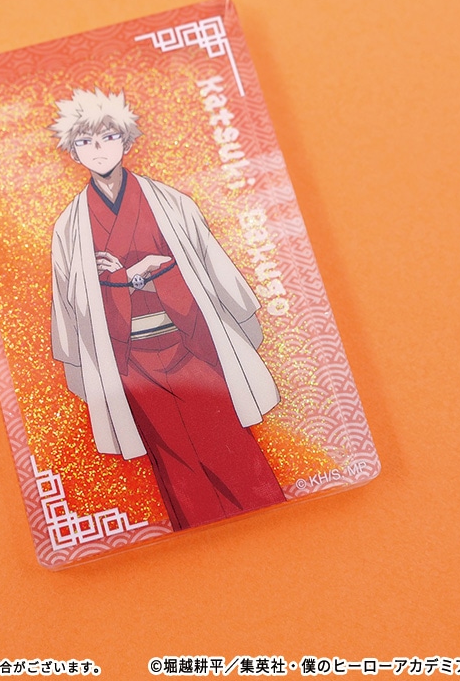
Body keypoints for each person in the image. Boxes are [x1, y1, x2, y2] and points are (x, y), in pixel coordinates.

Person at [50, 88, 284, 530]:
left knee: (226, 439)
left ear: (126, 140)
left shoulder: (172, 204)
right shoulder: (70, 226)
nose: (98, 149)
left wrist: (124, 276)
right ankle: (202, 537)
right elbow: (69, 301)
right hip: (129, 358)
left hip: (189, 341)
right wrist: (134, 276)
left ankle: (271, 520)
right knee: (172, 458)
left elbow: (209, 263)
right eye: (85, 141)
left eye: (108, 137)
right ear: (73, 151)